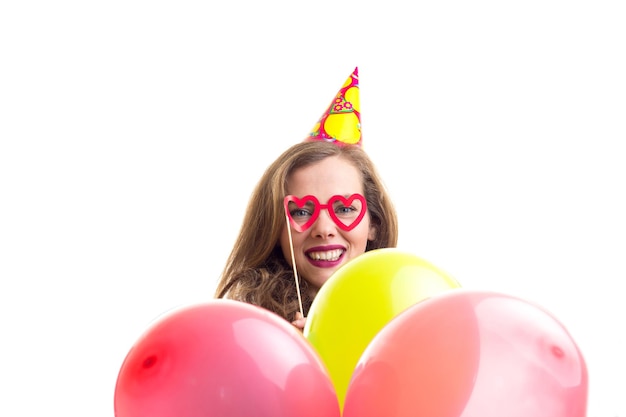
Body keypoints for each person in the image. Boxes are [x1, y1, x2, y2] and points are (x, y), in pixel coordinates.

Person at [214, 68, 399, 330]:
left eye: (345, 208)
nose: (323, 230)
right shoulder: (247, 330)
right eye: (302, 212)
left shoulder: (403, 313)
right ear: (275, 228)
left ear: (374, 223)